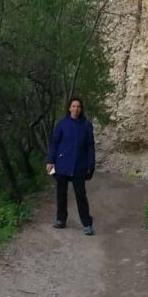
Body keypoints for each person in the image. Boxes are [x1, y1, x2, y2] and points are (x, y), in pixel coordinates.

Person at [46, 97, 95, 235]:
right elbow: (54, 143)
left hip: (79, 165)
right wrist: (50, 161)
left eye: (78, 106)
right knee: (61, 193)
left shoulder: (86, 125)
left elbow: (90, 146)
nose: (76, 109)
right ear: (69, 108)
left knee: (80, 195)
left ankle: (87, 224)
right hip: (62, 164)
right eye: (73, 106)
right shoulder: (61, 124)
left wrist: (90, 164)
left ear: (81, 109)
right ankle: (61, 220)